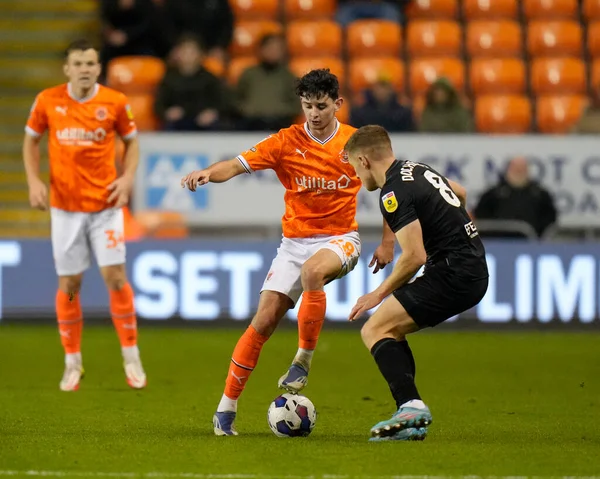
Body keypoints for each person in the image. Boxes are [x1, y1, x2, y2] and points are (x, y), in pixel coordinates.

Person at [181, 70, 395, 436]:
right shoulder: (285, 142)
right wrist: (206, 173)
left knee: (313, 272)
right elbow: (234, 165)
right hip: (294, 243)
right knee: (263, 320)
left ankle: (302, 360)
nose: (314, 113)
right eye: (308, 105)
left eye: (322, 106)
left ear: (337, 104)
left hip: (341, 238)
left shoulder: (355, 143)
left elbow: (391, 189)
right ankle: (226, 409)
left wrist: (389, 242)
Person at [344, 125, 489, 441]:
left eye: (355, 166)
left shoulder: (393, 192)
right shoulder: (417, 169)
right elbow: (460, 193)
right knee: (390, 329)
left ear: (364, 160)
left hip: (454, 274)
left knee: (374, 328)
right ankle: (410, 416)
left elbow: (415, 257)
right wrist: (457, 232)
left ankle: (411, 406)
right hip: (469, 266)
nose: (357, 175)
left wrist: (376, 294)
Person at [23, 39, 146, 392]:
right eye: (78, 64)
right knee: (71, 286)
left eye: (90, 63)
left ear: (98, 68)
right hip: (65, 209)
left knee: (115, 277)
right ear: (67, 69)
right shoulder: (48, 101)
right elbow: (31, 141)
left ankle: (131, 356)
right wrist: (33, 181)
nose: (85, 69)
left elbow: (132, 141)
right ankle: (72, 362)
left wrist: (127, 178)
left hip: (105, 207)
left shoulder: (115, 102)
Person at [154, 34, 228, 131]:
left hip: (204, 123)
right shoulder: (169, 78)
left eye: (192, 52)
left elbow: (222, 103)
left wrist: (212, 113)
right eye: (184, 52)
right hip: (177, 123)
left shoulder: (210, 79)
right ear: (177, 54)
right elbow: (159, 105)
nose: (188, 56)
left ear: (201, 54)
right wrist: (167, 112)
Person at [473, 157, 557, 238]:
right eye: (516, 168)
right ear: (508, 169)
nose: (519, 171)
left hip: (531, 243)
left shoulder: (540, 195)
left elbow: (550, 220)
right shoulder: (493, 194)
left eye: (522, 168)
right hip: (497, 241)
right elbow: (481, 218)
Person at [235, 33, 301, 131]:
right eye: (269, 47)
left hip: (279, 124)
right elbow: (237, 99)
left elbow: (296, 105)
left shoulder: (289, 76)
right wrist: (247, 110)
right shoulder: (249, 74)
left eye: (277, 49)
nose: (273, 52)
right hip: (250, 123)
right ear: (261, 50)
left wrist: (278, 111)